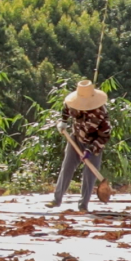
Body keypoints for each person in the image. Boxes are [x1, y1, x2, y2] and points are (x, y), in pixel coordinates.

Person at [46, 80, 111, 212]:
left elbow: (104, 136)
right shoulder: (73, 103)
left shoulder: (101, 113)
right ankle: (57, 199)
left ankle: (83, 205)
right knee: (67, 168)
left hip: (94, 144)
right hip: (76, 139)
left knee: (89, 174)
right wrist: (63, 122)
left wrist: (90, 150)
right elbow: (65, 108)